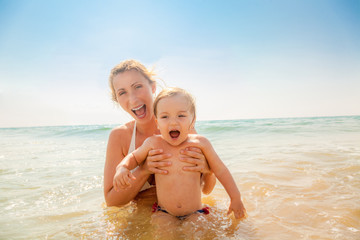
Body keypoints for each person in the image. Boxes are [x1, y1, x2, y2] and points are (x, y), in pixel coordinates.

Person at [113, 87, 247, 220]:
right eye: (165, 116)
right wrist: (122, 168)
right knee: (162, 231)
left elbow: (221, 170)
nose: (173, 122)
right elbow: (134, 157)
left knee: (197, 232)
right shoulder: (153, 143)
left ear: (192, 120)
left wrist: (235, 198)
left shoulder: (201, 143)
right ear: (157, 122)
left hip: (195, 212)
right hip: (164, 212)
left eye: (181, 115)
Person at [104, 60, 216, 207]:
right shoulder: (120, 136)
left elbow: (206, 190)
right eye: (122, 92)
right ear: (117, 99)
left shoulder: (180, 129)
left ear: (152, 86)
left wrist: (208, 170)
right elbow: (112, 201)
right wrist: (144, 170)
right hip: (144, 218)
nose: (132, 99)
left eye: (137, 87)